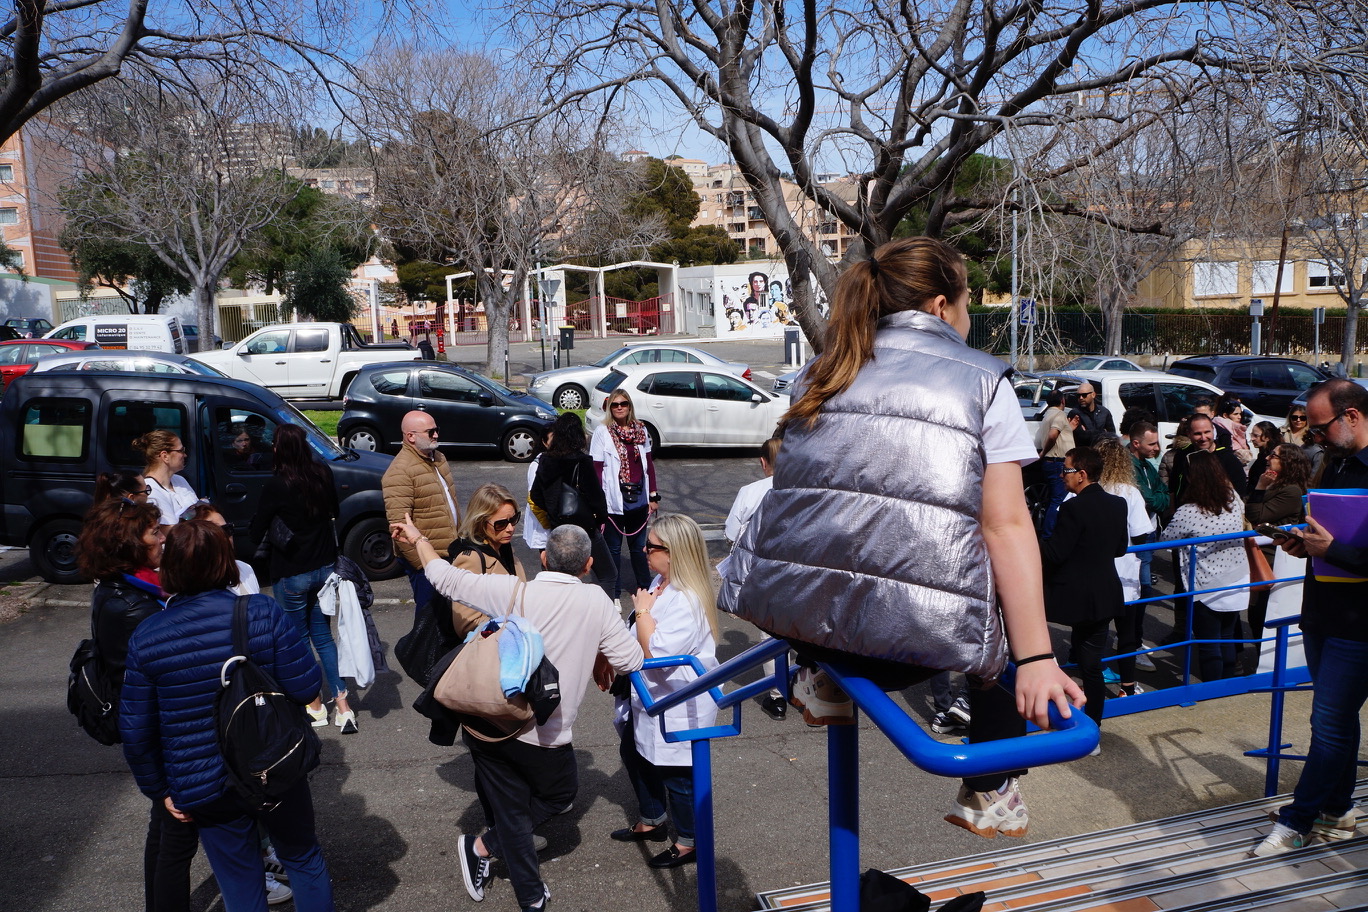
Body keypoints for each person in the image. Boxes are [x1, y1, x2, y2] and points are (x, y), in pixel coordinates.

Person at [728, 236, 1083, 839]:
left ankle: (822, 683)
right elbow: (1007, 524)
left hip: (801, 623)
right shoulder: (981, 381)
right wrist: (1039, 659)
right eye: (968, 302)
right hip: (902, 644)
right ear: (943, 306)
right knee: (994, 611)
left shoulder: (821, 372)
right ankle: (991, 786)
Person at [389, 520, 644, 912]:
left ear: (543, 558)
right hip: (543, 731)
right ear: (589, 564)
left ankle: (527, 893)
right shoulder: (595, 602)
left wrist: (419, 538)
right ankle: (485, 847)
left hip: (486, 717)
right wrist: (626, 628)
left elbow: (445, 578)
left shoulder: (512, 591)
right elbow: (630, 660)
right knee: (559, 795)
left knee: (511, 809)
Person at [120, 521, 336, 912]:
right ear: (226, 563)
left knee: (239, 880)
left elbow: (136, 730)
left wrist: (160, 790)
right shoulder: (262, 612)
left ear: (170, 568)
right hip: (274, 765)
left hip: (202, 778)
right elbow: (306, 687)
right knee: (303, 860)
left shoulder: (148, 636)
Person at [1255, 379, 1368, 855]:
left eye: (1319, 427)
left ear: (1354, 416)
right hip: (1322, 610)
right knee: (1337, 720)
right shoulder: (1334, 461)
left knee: (1328, 723)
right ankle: (1338, 809)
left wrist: (1334, 550)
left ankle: (1298, 820)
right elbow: (1328, 537)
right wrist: (1304, 545)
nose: (1313, 437)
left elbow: (1346, 548)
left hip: (1359, 622)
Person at [78, 499, 198, 912]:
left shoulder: (134, 588)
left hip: (161, 735)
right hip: (166, 738)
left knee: (165, 832)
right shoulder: (134, 606)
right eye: (155, 533)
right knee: (177, 836)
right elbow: (149, 695)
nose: (164, 537)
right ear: (128, 545)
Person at [613, 514, 719, 869]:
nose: (643, 550)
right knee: (635, 753)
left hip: (678, 701)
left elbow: (657, 652)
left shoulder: (687, 599)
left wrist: (642, 612)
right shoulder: (661, 581)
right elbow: (640, 638)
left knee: (678, 778)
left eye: (652, 546)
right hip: (650, 696)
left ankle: (690, 841)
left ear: (674, 553)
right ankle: (652, 819)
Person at [250, 424, 355, 734]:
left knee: (297, 639)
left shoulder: (277, 484)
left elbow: (258, 530)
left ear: (279, 450)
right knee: (323, 636)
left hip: (292, 570)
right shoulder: (321, 473)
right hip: (323, 567)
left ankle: (315, 704)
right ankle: (345, 706)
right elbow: (334, 511)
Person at [1040, 447, 1130, 735]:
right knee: (1092, 666)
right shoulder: (1118, 504)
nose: (1061, 475)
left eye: (1065, 470)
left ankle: (1042, 712)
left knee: (1037, 652)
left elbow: (1054, 553)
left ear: (1081, 474)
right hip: (1104, 595)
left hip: (1072, 598)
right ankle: (1093, 729)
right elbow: (1120, 549)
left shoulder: (1071, 508)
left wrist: (1030, 536)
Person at [1161, 450, 1248, 682]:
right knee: (1227, 637)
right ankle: (1228, 691)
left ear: (1191, 477)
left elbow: (1166, 540)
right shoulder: (1233, 498)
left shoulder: (1189, 511)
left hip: (1205, 585)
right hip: (1237, 578)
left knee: (1209, 645)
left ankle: (1213, 695)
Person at [723, 437, 787, 720]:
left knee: (769, 635)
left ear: (763, 462)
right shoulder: (804, 490)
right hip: (800, 573)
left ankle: (778, 697)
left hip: (763, 571)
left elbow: (730, 533)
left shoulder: (750, 491)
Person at [383, 409, 461, 614]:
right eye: (430, 432)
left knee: (452, 615)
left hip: (448, 554)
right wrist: (423, 564)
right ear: (411, 436)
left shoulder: (439, 458)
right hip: (427, 562)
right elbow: (398, 527)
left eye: (436, 430)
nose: (436, 435)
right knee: (429, 619)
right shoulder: (400, 471)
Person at [531, 413, 615, 596]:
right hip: (585, 529)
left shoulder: (545, 460)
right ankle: (602, 615)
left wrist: (553, 513)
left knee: (560, 580)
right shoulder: (582, 461)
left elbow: (535, 496)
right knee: (607, 574)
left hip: (557, 529)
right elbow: (596, 498)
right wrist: (600, 518)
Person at [1095, 436, 1157, 680]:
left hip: (1093, 572)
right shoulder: (1130, 492)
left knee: (1094, 631)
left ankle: (1094, 673)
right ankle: (1128, 685)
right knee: (1126, 633)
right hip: (1124, 574)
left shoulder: (1086, 489)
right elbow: (1142, 534)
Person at [591, 389, 659, 600]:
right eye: (615, 404)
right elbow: (597, 469)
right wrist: (598, 503)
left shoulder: (641, 430)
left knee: (639, 549)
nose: (619, 407)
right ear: (609, 407)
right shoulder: (602, 432)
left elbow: (648, 465)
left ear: (630, 406)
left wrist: (653, 495)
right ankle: (615, 595)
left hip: (638, 498)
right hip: (613, 501)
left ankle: (646, 590)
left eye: (624, 403)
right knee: (613, 550)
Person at [1244, 442, 1311, 651]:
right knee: (1256, 612)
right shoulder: (1278, 483)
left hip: (1273, 558)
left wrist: (1260, 487)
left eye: (1273, 455)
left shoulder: (1291, 491)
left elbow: (1255, 515)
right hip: (1262, 553)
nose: (1267, 458)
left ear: (1287, 462)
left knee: (1261, 613)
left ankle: (1265, 661)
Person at [448, 483, 528, 638]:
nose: (510, 528)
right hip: (492, 650)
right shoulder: (470, 560)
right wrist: (514, 625)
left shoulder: (506, 551)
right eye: (501, 524)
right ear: (480, 522)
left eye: (514, 519)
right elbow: (466, 624)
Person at [1128, 421, 1168, 603]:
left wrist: (1160, 498)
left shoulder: (1147, 465)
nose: (1157, 448)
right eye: (1151, 444)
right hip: (1138, 532)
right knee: (1142, 589)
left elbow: (1163, 491)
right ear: (1136, 444)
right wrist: (1160, 499)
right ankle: (1134, 630)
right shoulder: (1130, 466)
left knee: (1142, 587)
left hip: (1150, 527)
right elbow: (1149, 499)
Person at [1169, 413, 1246, 501]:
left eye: (1207, 432)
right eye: (1197, 434)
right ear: (1189, 434)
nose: (1203, 438)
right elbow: (1173, 486)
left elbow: (1240, 492)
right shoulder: (1182, 455)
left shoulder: (1228, 458)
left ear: (1213, 430)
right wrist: (1172, 511)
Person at [137, 431, 201, 527]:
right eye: (181, 451)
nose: (185, 455)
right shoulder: (151, 491)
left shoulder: (180, 480)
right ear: (165, 456)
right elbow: (170, 532)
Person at [1036, 390, 1077, 537]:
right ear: (1063, 401)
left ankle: (1049, 533)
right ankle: (1049, 535)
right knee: (1059, 500)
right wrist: (1044, 452)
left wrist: (1069, 429)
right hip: (1057, 462)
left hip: (1050, 463)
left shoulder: (1047, 415)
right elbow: (1053, 435)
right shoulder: (1060, 414)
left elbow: (1058, 435)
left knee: (1055, 499)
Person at [524, 426, 553, 554]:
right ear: (544, 442)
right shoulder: (537, 465)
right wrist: (549, 524)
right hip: (544, 528)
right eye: (553, 439)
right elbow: (533, 500)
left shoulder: (555, 461)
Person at [1071, 381, 1116, 446]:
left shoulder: (1104, 412)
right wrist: (1103, 433)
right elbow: (1081, 436)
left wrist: (1088, 433)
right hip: (1083, 453)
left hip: (1101, 452)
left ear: (1093, 395)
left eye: (1084, 395)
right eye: (1078, 395)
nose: (1081, 398)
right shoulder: (1075, 413)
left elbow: (1112, 435)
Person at [1245, 421, 1283, 496]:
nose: (1252, 439)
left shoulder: (1273, 458)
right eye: (1252, 435)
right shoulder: (1262, 454)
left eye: (1256, 436)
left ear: (1267, 437)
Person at [1214, 394, 1251, 465]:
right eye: (1235, 414)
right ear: (1225, 415)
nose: (1239, 417)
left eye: (1240, 414)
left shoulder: (1238, 427)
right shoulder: (1221, 430)